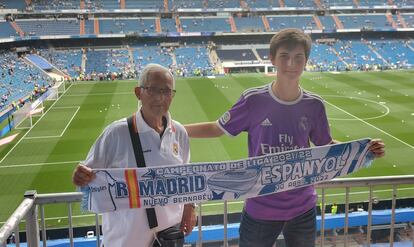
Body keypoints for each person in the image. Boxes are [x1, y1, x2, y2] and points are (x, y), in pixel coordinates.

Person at [184, 28, 385, 247]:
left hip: (303, 207)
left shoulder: (314, 105)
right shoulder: (254, 100)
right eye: (284, 57)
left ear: (306, 61)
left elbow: (326, 146)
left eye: (298, 58)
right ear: (272, 59)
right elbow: (217, 128)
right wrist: (174, 129)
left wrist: (364, 150)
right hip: (261, 206)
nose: (291, 64)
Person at [72, 63, 197, 247]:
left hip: (167, 241)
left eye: (167, 91)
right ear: (138, 92)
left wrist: (189, 207)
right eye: (153, 90)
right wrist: (80, 177)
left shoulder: (179, 133)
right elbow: (87, 181)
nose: (160, 97)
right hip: (123, 242)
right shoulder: (115, 134)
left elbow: (185, 179)